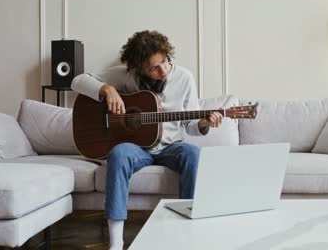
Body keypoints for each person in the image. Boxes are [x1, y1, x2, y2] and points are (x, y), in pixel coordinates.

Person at [71, 30, 223, 250]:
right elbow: (77, 81)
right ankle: (116, 242)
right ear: (138, 68)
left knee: (192, 153)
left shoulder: (184, 78)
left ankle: (188, 233)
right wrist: (107, 89)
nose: (163, 71)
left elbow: (191, 125)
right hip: (137, 149)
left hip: (171, 147)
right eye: (153, 68)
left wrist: (205, 123)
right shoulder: (125, 76)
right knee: (119, 153)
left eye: (165, 62)